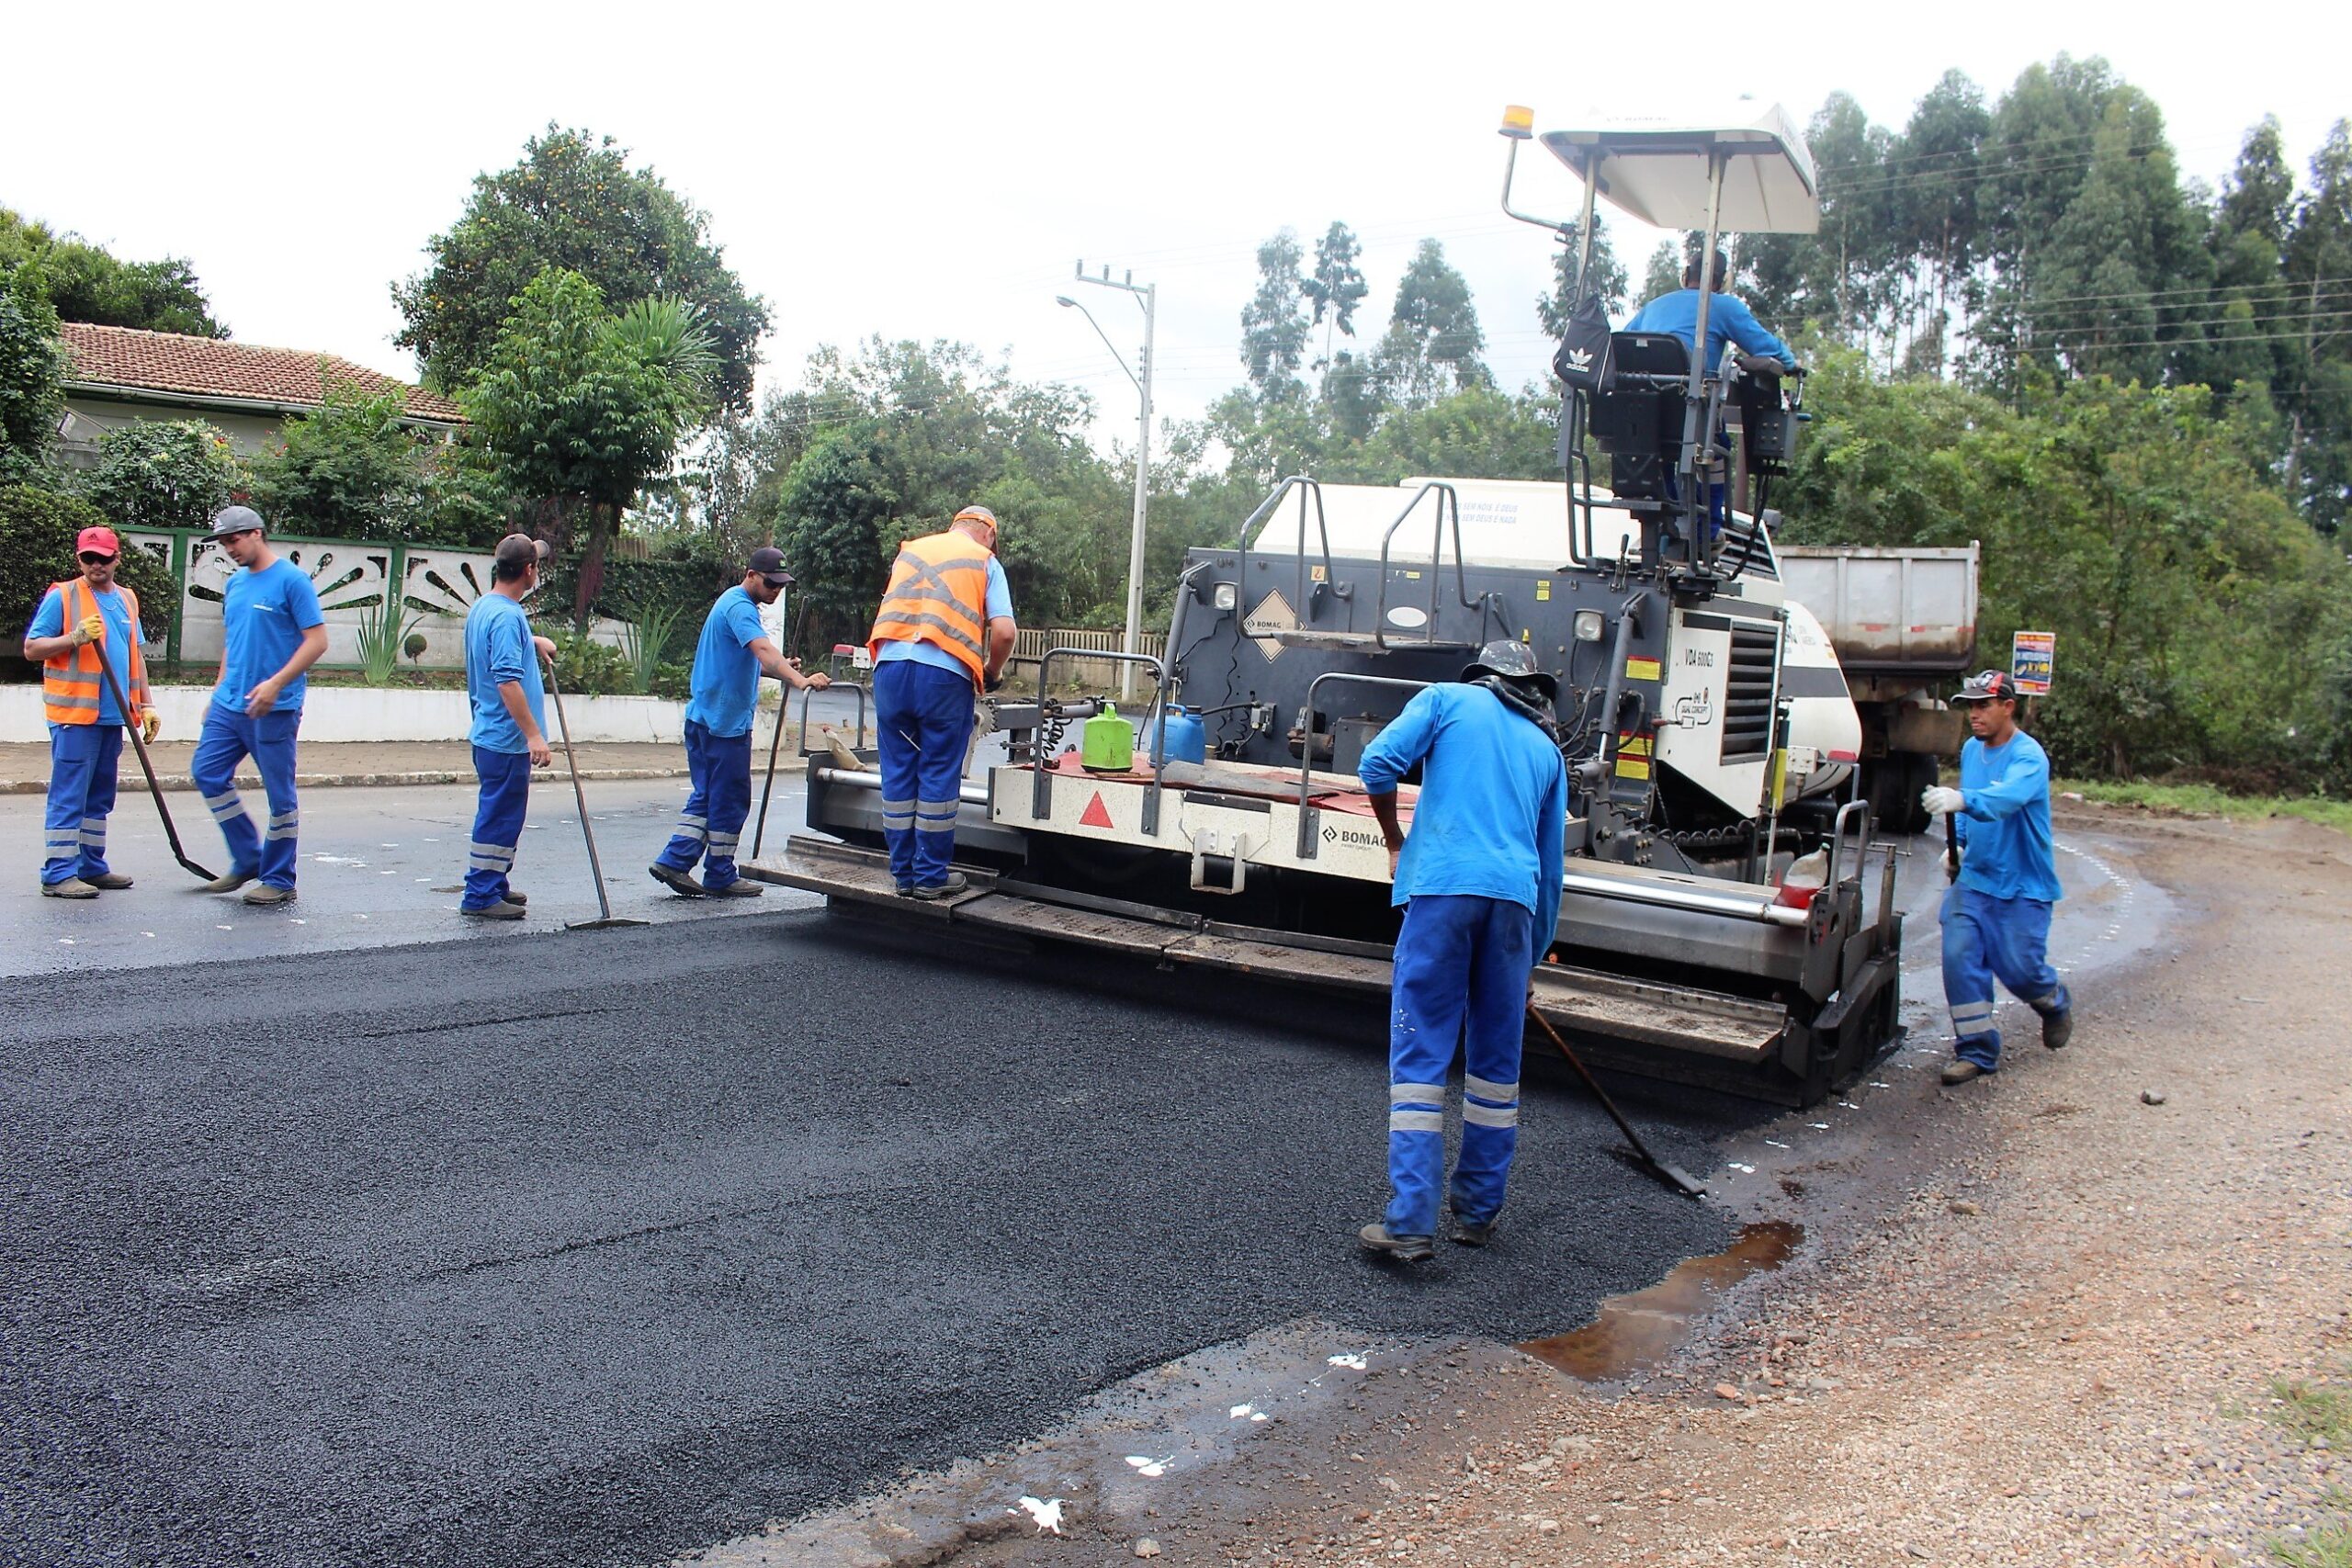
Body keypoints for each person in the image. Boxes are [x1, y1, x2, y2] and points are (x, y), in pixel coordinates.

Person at [1354, 640, 1567, 1262]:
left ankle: (1410, 1223)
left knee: (1422, 1057)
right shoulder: (1545, 749)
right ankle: (1476, 1213)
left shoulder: (1446, 699)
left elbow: (1377, 765)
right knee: (1495, 1068)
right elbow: (1551, 871)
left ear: (1481, 675)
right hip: (1513, 909)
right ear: (1532, 688)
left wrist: (1396, 839)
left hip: (1445, 891)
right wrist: (1530, 957)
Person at [649, 547, 831, 898]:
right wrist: (801, 680)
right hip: (723, 724)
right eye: (769, 583)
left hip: (705, 718)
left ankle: (674, 860)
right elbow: (762, 651)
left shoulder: (734, 604)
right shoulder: (741, 607)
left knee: (708, 795)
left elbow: (754, 660)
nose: (775, 591)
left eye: (780, 585)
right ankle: (718, 873)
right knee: (730, 798)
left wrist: (786, 668)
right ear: (750, 575)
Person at [1921, 669, 2074, 1086]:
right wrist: (1960, 847)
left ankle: (2054, 1002)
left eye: (1983, 705)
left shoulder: (2029, 758)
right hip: (1975, 881)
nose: (1975, 714)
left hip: (2023, 885)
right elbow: (1971, 814)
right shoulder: (1972, 750)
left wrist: (1965, 800)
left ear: (2008, 707)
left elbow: (2004, 799)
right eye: (1970, 706)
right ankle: (1976, 1051)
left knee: (2020, 969)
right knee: (1959, 956)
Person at [866, 504, 1017, 899]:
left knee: (898, 772)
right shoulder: (985, 561)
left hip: (889, 670)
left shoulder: (911, 550)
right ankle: (931, 877)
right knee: (937, 771)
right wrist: (992, 673)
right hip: (943, 676)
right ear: (989, 535)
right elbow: (1003, 631)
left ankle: (903, 875)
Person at [190, 505, 326, 907]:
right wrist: (216, 693)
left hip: (275, 707)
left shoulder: (292, 581)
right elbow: (232, 643)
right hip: (229, 705)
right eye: (224, 543)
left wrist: (276, 683)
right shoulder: (235, 586)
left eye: (234, 540)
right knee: (207, 772)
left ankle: (280, 878)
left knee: (280, 795)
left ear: (256, 534)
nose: (229, 549)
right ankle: (249, 856)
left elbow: (317, 641)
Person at [22, 525, 158, 897]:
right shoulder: (63, 596)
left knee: (99, 796)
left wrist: (146, 703)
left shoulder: (128, 599)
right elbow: (33, 649)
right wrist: (75, 637)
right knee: (70, 795)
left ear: (117, 558)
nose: (96, 564)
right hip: (75, 717)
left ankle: (91, 866)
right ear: (79, 559)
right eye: (88, 558)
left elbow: (136, 656)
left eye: (104, 557)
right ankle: (58, 873)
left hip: (114, 716)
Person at [459, 536, 559, 920]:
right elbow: (506, 681)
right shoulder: (505, 616)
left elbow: (495, 645)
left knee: (504, 814)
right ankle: (480, 894)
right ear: (529, 570)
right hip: (505, 739)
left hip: (490, 734)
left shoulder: (487, 607)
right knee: (500, 816)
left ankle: (494, 881)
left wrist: (531, 641)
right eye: (538, 565)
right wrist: (534, 735)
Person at [1623, 254, 1798, 377]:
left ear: (1685, 276)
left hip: (1637, 410)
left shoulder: (1653, 306)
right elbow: (1765, 347)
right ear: (1723, 281)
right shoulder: (1723, 306)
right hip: (1689, 410)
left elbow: (1618, 345)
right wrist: (1792, 364)